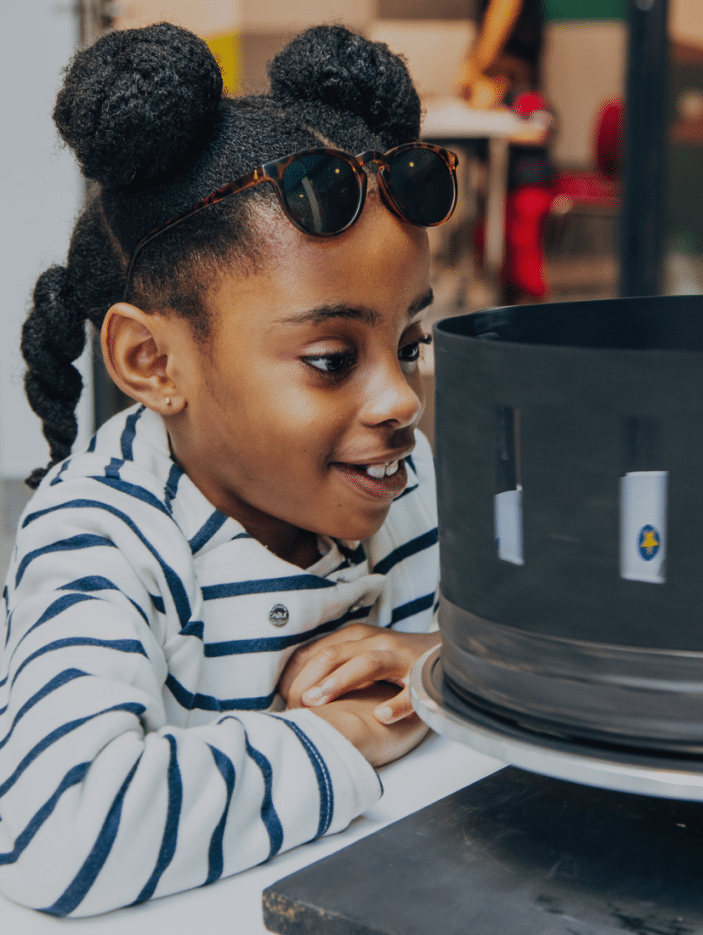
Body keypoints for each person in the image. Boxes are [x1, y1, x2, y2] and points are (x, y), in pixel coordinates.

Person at [0, 22, 456, 916]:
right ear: (151, 364)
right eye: (331, 358)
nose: (399, 400)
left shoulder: (392, 476)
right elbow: (55, 829)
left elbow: (482, 658)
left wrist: (437, 662)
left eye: (408, 344)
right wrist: (330, 742)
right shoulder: (103, 530)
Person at [459, 0, 556, 302]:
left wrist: (474, 72)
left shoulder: (526, 101)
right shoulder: (518, 100)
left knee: (519, 231)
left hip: (529, 180)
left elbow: (543, 129)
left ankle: (526, 290)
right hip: (511, 175)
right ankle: (506, 285)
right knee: (495, 223)